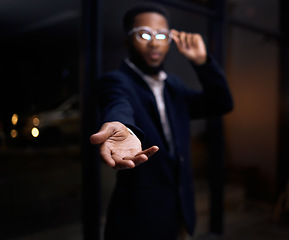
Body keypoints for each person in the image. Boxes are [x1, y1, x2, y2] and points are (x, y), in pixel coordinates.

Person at [90, 4, 233, 240]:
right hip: (138, 222)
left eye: (161, 35)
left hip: (180, 214)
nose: (154, 42)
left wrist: (203, 62)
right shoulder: (116, 82)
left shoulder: (173, 86)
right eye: (144, 34)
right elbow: (118, 103)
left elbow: (221, 103)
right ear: (127, 42)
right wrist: (121, 124)